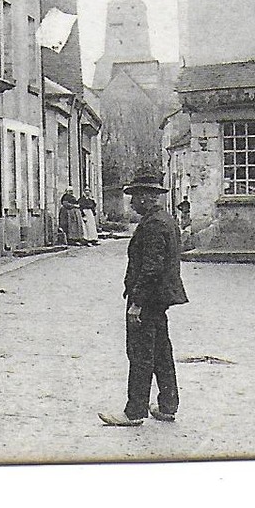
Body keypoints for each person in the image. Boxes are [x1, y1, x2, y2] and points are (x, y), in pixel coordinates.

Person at [99, 168, 188, 427]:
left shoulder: (153, 225)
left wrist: (137, 302)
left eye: (135, 196)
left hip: (147, 299)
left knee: (140, 355)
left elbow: (151, 267)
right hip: (158, 299)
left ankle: (135, 411)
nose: (132, 202)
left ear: (148, 197)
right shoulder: (165, 220)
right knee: (161, 352)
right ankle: (168, 406)